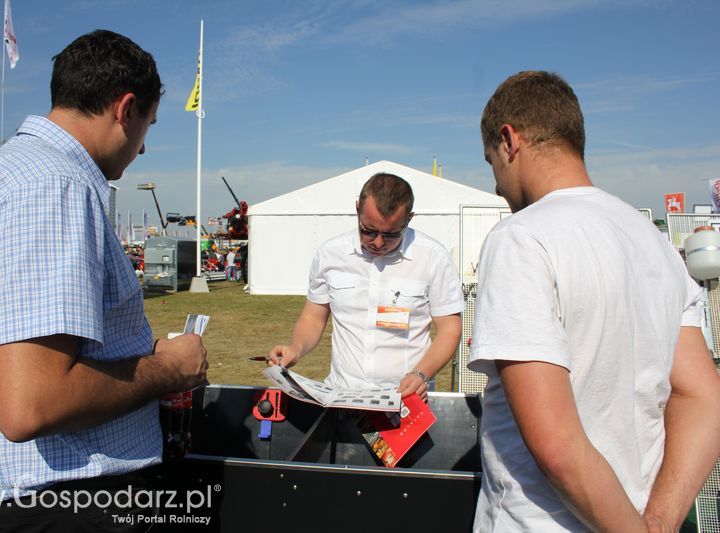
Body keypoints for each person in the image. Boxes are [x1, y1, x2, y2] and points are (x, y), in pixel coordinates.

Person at [0, 30, 208, 531]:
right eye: (147, 126)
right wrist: (167, 368)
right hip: (71, 503)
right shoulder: (53, 184)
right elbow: (32, 403)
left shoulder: (10, 174)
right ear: (125, 109)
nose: (143, 148)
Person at [468, 70, 720, 532]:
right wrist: (659, 521)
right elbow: (703, 397)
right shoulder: (655, 243)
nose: (497, 186)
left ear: (509, 141)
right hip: (641, 514)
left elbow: (558, 445)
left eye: (491, 163)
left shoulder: (521, 238)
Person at [269, 173, 464, 400]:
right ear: (357, 209)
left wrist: (422, 374)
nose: (378, 242)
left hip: (406, 399)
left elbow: (450, 329)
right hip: (343, 395)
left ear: (409, 219)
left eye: (391, 234)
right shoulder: (330, 254)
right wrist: (296, 348)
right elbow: (313, 317)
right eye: (368, 230)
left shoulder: (433, 257)